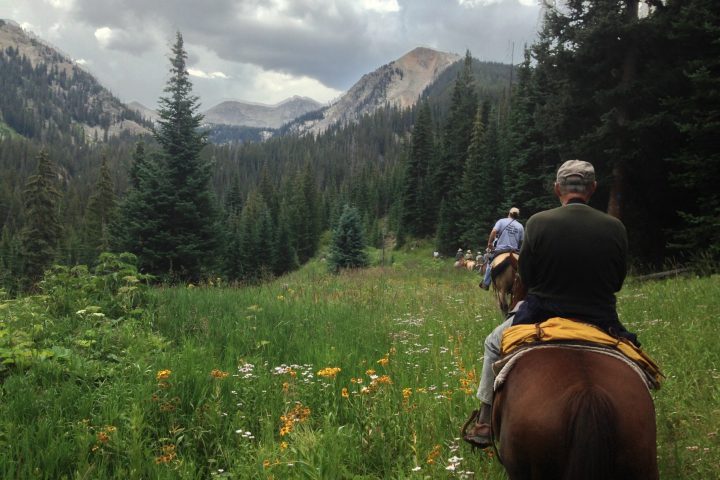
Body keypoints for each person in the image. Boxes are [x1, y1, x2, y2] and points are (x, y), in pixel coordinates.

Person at [467, 159, 638, 448]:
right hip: (600, 317)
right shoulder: (615, 227)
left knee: (493, 343)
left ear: (557, 188)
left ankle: (484, 422)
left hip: (543, 314)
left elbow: (529, 277)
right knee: (636, 361)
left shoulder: (539, 222)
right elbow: (617, 282)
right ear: (593, 188)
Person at [480, 207, 524, 290]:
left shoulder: (501, 221)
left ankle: (485, 283)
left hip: (501, 249)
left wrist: (490, 243)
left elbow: (493, 232)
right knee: (523, 267)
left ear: (509, 213)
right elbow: (522, 241)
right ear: (517, 216)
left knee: (490, 263)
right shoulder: (520, 226)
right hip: (514, 250)